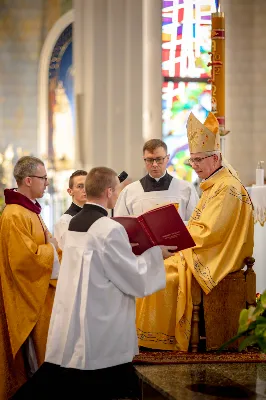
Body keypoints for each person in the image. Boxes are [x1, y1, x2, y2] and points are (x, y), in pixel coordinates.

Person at [12, 167, 176, 400]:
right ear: (109, 191)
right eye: (117, 191)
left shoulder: (75, 221)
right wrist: (154, 254)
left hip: (78, 311)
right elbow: (133, 277)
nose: (118, 195)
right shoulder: (108, 228)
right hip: (101, 318)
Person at [135, 112, 254, 351]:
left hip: (214, 257)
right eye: (193, 160)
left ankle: (158, 341)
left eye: (199, 160)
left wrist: (176, 240)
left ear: (216, 157)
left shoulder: (227, 187)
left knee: (164, 274)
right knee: (150, 267)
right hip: (201, 250)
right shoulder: (214, 184)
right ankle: (145, 337)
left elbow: (210, 233)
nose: (195, 165)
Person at [0, 156, 61, 399]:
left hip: (40, 295)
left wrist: (54, 248)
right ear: (28, 180)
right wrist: (51, 248)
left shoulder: (29, 210)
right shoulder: (15, 214)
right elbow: (24, 261)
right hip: (27, 298)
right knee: (33, 363)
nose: (46, 183)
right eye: (43, 178)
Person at [114, 138, 199, 221]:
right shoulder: (129, 191)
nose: (154, 164)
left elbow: (195, 224)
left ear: (167, 158)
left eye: (159, 159)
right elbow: (121, 226)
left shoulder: (186, 189)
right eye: (150, 160)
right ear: (144, 159)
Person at [54, 169, 87, 249]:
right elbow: (64, 252)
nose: (85, 190)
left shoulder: (95, 216)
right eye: (80, 186)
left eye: (87, 185)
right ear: (70, 191)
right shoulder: (65, 221)